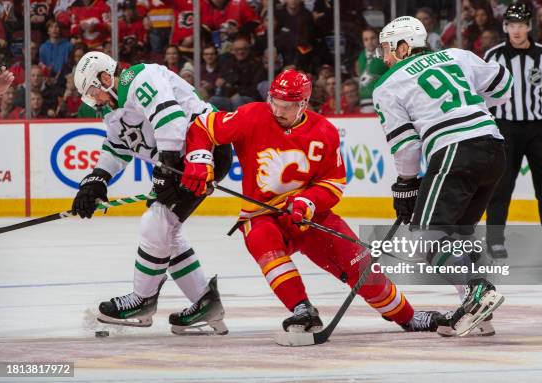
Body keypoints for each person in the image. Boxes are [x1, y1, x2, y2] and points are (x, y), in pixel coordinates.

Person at [181, 68, 444, 334]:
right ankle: (301, 308)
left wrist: (308, 202)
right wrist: (199, 160)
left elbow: (333, 183)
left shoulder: (324, 131)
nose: (277, 111)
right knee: (262, 241)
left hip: (308, 214)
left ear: (303, 104)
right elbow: (203, 127)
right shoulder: (253, 115)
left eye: (286, 106)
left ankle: (408, 317)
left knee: (360, 266)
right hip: (262, 214)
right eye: (274, 102)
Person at [71, 51, 232, 335]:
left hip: (201, 151)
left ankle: (142, 300)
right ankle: (205, 303)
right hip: (179, 159)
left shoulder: (139, 77)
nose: (94, 100)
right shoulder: (112, 108)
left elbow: (169, 118)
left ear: (106, 77)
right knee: (165, 231)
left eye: (93, 91)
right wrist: (96, 179)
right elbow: (118, 147)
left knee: (155, 224)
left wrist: (167, 166)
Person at [373, 16, 510, 336]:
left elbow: (406, 147)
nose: (386, 58)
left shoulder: (389, 84)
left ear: (404, 46)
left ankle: (479, 291)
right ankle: (478, 314)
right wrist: (469, 108)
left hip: (455, 152)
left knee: (426, 237)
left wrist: (405, 185)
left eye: (388, 50)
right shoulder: (457, 55)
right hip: (494, 148)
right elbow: (503, 86)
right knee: (457, 235)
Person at [484, 3, 542, 266]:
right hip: (505, 127)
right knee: (500, 186)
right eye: (511, 25)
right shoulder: (494, 56)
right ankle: (495, 240)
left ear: (529, 26)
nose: (516, 30)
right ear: (505, 27)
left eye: (521, 25)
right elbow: (480, 91)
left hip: (537, 128)